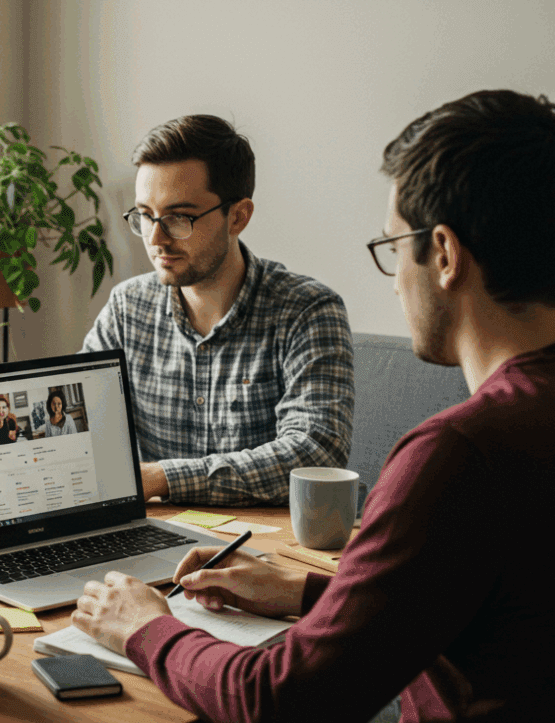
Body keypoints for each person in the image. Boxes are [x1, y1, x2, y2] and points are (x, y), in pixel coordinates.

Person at [60, 90, 555, 723]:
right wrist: (302, 597)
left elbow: (281, 708)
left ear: (445, 252)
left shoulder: (461, 454)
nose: (394, 280)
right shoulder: (524, 429)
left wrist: (143, 627)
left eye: (392, 247)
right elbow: (473, 605)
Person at [81, 114, 354, 505]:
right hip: (157, 535)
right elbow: (83, 425)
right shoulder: (128, 309)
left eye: (179, 218)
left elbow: (314, 454)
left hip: (258, 552)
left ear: (238, 216)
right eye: (144, 215)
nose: (156, 239)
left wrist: (162, 478)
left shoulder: (307, 311)